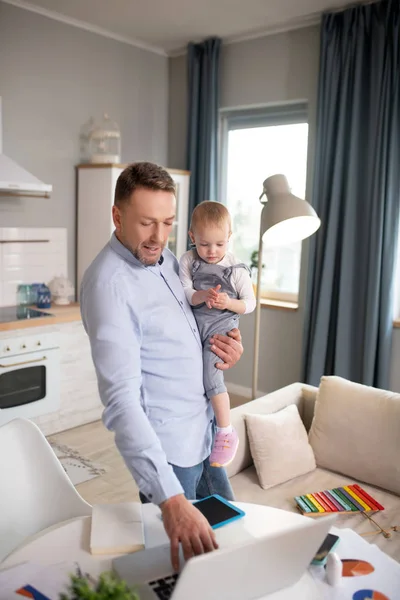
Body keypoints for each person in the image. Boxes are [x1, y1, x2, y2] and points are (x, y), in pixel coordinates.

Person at [80, 162, 243, 571]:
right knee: (177, 571)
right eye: (147, 223)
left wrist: (226, 348)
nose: (158, 237)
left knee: (230, 546)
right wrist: (169, 499)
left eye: (168, 222)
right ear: (117, 216)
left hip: (203, 433)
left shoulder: (170, 260)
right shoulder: (108, 286)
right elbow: (121, 402)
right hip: (169, 454)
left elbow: (189, 332)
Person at [179, 201, 256, 468]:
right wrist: (201, 295)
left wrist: (227, 303)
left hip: (220, 326)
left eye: (219, 245)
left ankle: (225, 431)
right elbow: (185, 293)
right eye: (204, 244)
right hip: (195, 323)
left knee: (211, 376)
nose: (212, 252)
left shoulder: (236, 269)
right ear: (192, 238)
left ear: (229, 239)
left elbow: (249, 304)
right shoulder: (188, 260)